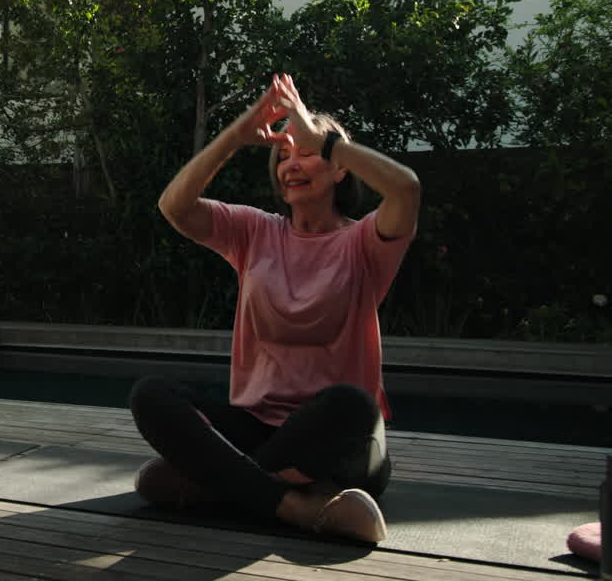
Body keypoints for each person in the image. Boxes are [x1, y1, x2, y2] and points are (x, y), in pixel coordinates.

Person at [133, 73, 420, 543]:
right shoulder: (254, 232)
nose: (291, 164)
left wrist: (326, 141)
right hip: (257, 429)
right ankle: (297, 506)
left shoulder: (365, 242)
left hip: (335, 439)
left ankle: (213, 486)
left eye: (305, 153)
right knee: (151, 394)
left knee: (351, 403)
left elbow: (406, 190)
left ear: (338, 168)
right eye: (283, 155)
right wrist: (236, 136)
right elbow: (174, 206)